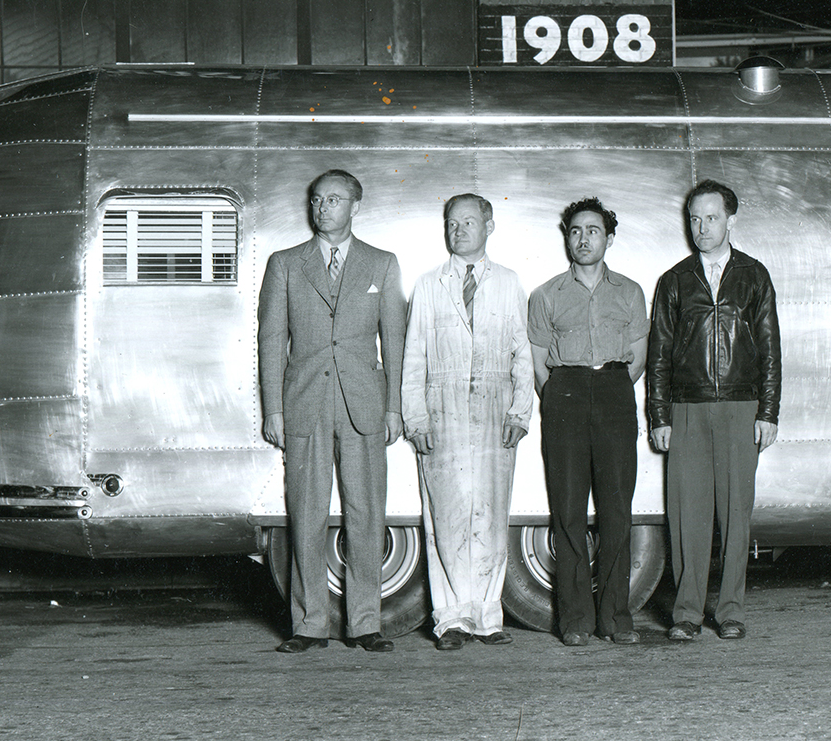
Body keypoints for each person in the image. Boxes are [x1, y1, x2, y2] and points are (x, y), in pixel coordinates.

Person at [257, 169, 407, 654]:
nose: (323, 208)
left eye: (334, 200)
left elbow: (396, 342)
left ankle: (365, 624)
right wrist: (273, 409)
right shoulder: (285, 263)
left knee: (367, 513)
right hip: (304, 403)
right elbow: (271, 340)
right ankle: (308, 625)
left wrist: (394, 408)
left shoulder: (382, 264)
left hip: (364, 403)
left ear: (355, 207)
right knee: (306, 513)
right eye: (318, 200)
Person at [646, 179, 780, 642]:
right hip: (687, 408)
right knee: (688, 515)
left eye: (711, 218)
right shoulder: (675, 280)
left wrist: (769, 411)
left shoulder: (754, 276)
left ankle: (731, 611)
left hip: (741, 408)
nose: (702, 228)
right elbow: (659, 354)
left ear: (730, 220)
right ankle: (686, 613)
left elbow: (769, 348)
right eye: (695, 219)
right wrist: (659, 416)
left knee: (736, 514)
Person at [402, 193, 535, 650]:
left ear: (489, 226)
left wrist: (520, 411)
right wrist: (415, 418)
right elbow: (413, 355)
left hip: (496, 409)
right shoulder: (428, 285)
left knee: (491, 514)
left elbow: (523, 353)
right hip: (443, 408)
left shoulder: (509, 283)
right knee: (446, 516)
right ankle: (450, 618)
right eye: (451, 223)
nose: (458, 231)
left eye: (468, 222)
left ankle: (487, 615)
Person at [527, 197, 650, 647]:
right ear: (567, 237)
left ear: (609, 238)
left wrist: (609, 385)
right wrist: (565, 393)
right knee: (568, 508)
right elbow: (539, 366)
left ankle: (616, 617)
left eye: (593, 230)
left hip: (615, 391)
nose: (583, 238)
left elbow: (638, 358)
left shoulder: (630, 292)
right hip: (565, 395)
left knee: (617, 509)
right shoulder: (545, 296)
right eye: (576, 231)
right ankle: (575, 619)